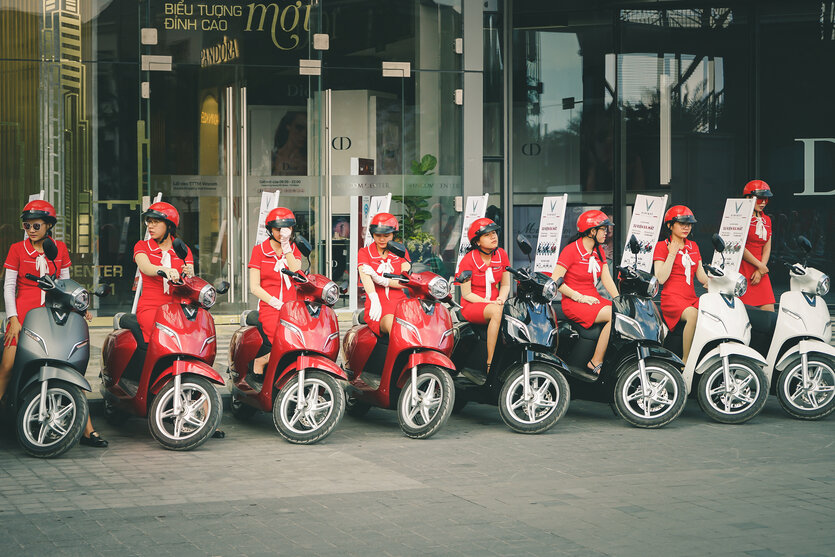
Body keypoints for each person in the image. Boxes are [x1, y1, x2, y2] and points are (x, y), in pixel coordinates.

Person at [1, 200, 107, 447]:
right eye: (26, 225)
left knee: (67, 367)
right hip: (24, 315)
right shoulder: (17, 249)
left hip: (54, 314)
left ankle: (86, 428)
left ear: (49, 225)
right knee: (7, 365)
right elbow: (8, 287)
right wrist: (13, 318)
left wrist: (79, 309)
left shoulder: (59, 249)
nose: (30, 229)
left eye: (36, 224)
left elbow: (66, 284)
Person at [552, 210, 620, 375]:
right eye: (603, 229)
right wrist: (579, 297)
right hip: (574, 302)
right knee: (614, 315)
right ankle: (596, 360)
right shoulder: (571, 250)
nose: (607, 232)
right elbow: (555, 280)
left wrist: (619, 299)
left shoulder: (599, 250)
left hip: (593, 299)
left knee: (622, 312)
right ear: (591, 231)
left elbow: (606, 279)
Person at [248, 207, 302, 377]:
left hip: (292, 307)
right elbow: (254, 287)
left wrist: (287, 247)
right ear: (270, 230)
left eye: (286, 229)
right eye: (278, 229)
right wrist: (274, 302)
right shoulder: (259, 250)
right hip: (270, 307)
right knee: (282, 340)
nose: (282, 233)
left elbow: (296, 271)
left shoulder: (293, 248)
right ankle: (262, 360)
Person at [653, 205, 708, 363]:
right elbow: (660, 278)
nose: (687, 227)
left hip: (690, 297)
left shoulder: (693, 246)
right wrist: (672, 254)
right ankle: (686, 360)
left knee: (711, 311)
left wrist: (718, 281)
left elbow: (702, 276)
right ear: (670, 225)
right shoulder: (662, 246)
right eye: (682, 223)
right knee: (692, 314)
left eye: (689, 224)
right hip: (672, 298)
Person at [133, 202, 194, 342]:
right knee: (158, 338)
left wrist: (189, 273)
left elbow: (190, 280)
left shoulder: (182, 249)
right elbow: (145, 267)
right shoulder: (142, 246)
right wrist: (164, 270)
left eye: (155, 222)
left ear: (169, 225)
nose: (150, 226)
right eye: (149, 222)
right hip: (151, 307)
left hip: (178, 307)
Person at [457, 218, 510, 374]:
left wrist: (501, 298)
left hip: (495, 303)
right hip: (472, 304)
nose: (493, 237)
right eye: (487, 235)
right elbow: (466, 294)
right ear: (477, 242)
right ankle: (490, 362)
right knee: (496, 311)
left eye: (494, 233)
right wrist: (490, 302)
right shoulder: (468, 260)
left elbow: (506, 285)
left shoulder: (502, 254)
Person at [358, 213, 411, 336]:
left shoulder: (401, 251)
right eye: (378, 235)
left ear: (393, 235)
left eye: (386, 236)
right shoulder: (364, 252)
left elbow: (406, 282)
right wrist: (373, 298)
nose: (382, 239)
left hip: (400, 303)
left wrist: (381, 279)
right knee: (395, 327)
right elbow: (365, 278)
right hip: (377, 305)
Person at [739, 180, 775, 311]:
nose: (763, 202)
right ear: (748, 198)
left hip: (760, 269)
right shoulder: (740, 217)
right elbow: (740, 246)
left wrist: (761, 268)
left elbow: (767, 246)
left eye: (766, 199)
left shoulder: (767, 219)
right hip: (743, 267)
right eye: (760, 199)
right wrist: (760, 266)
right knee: (745, 313)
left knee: (769, 312)